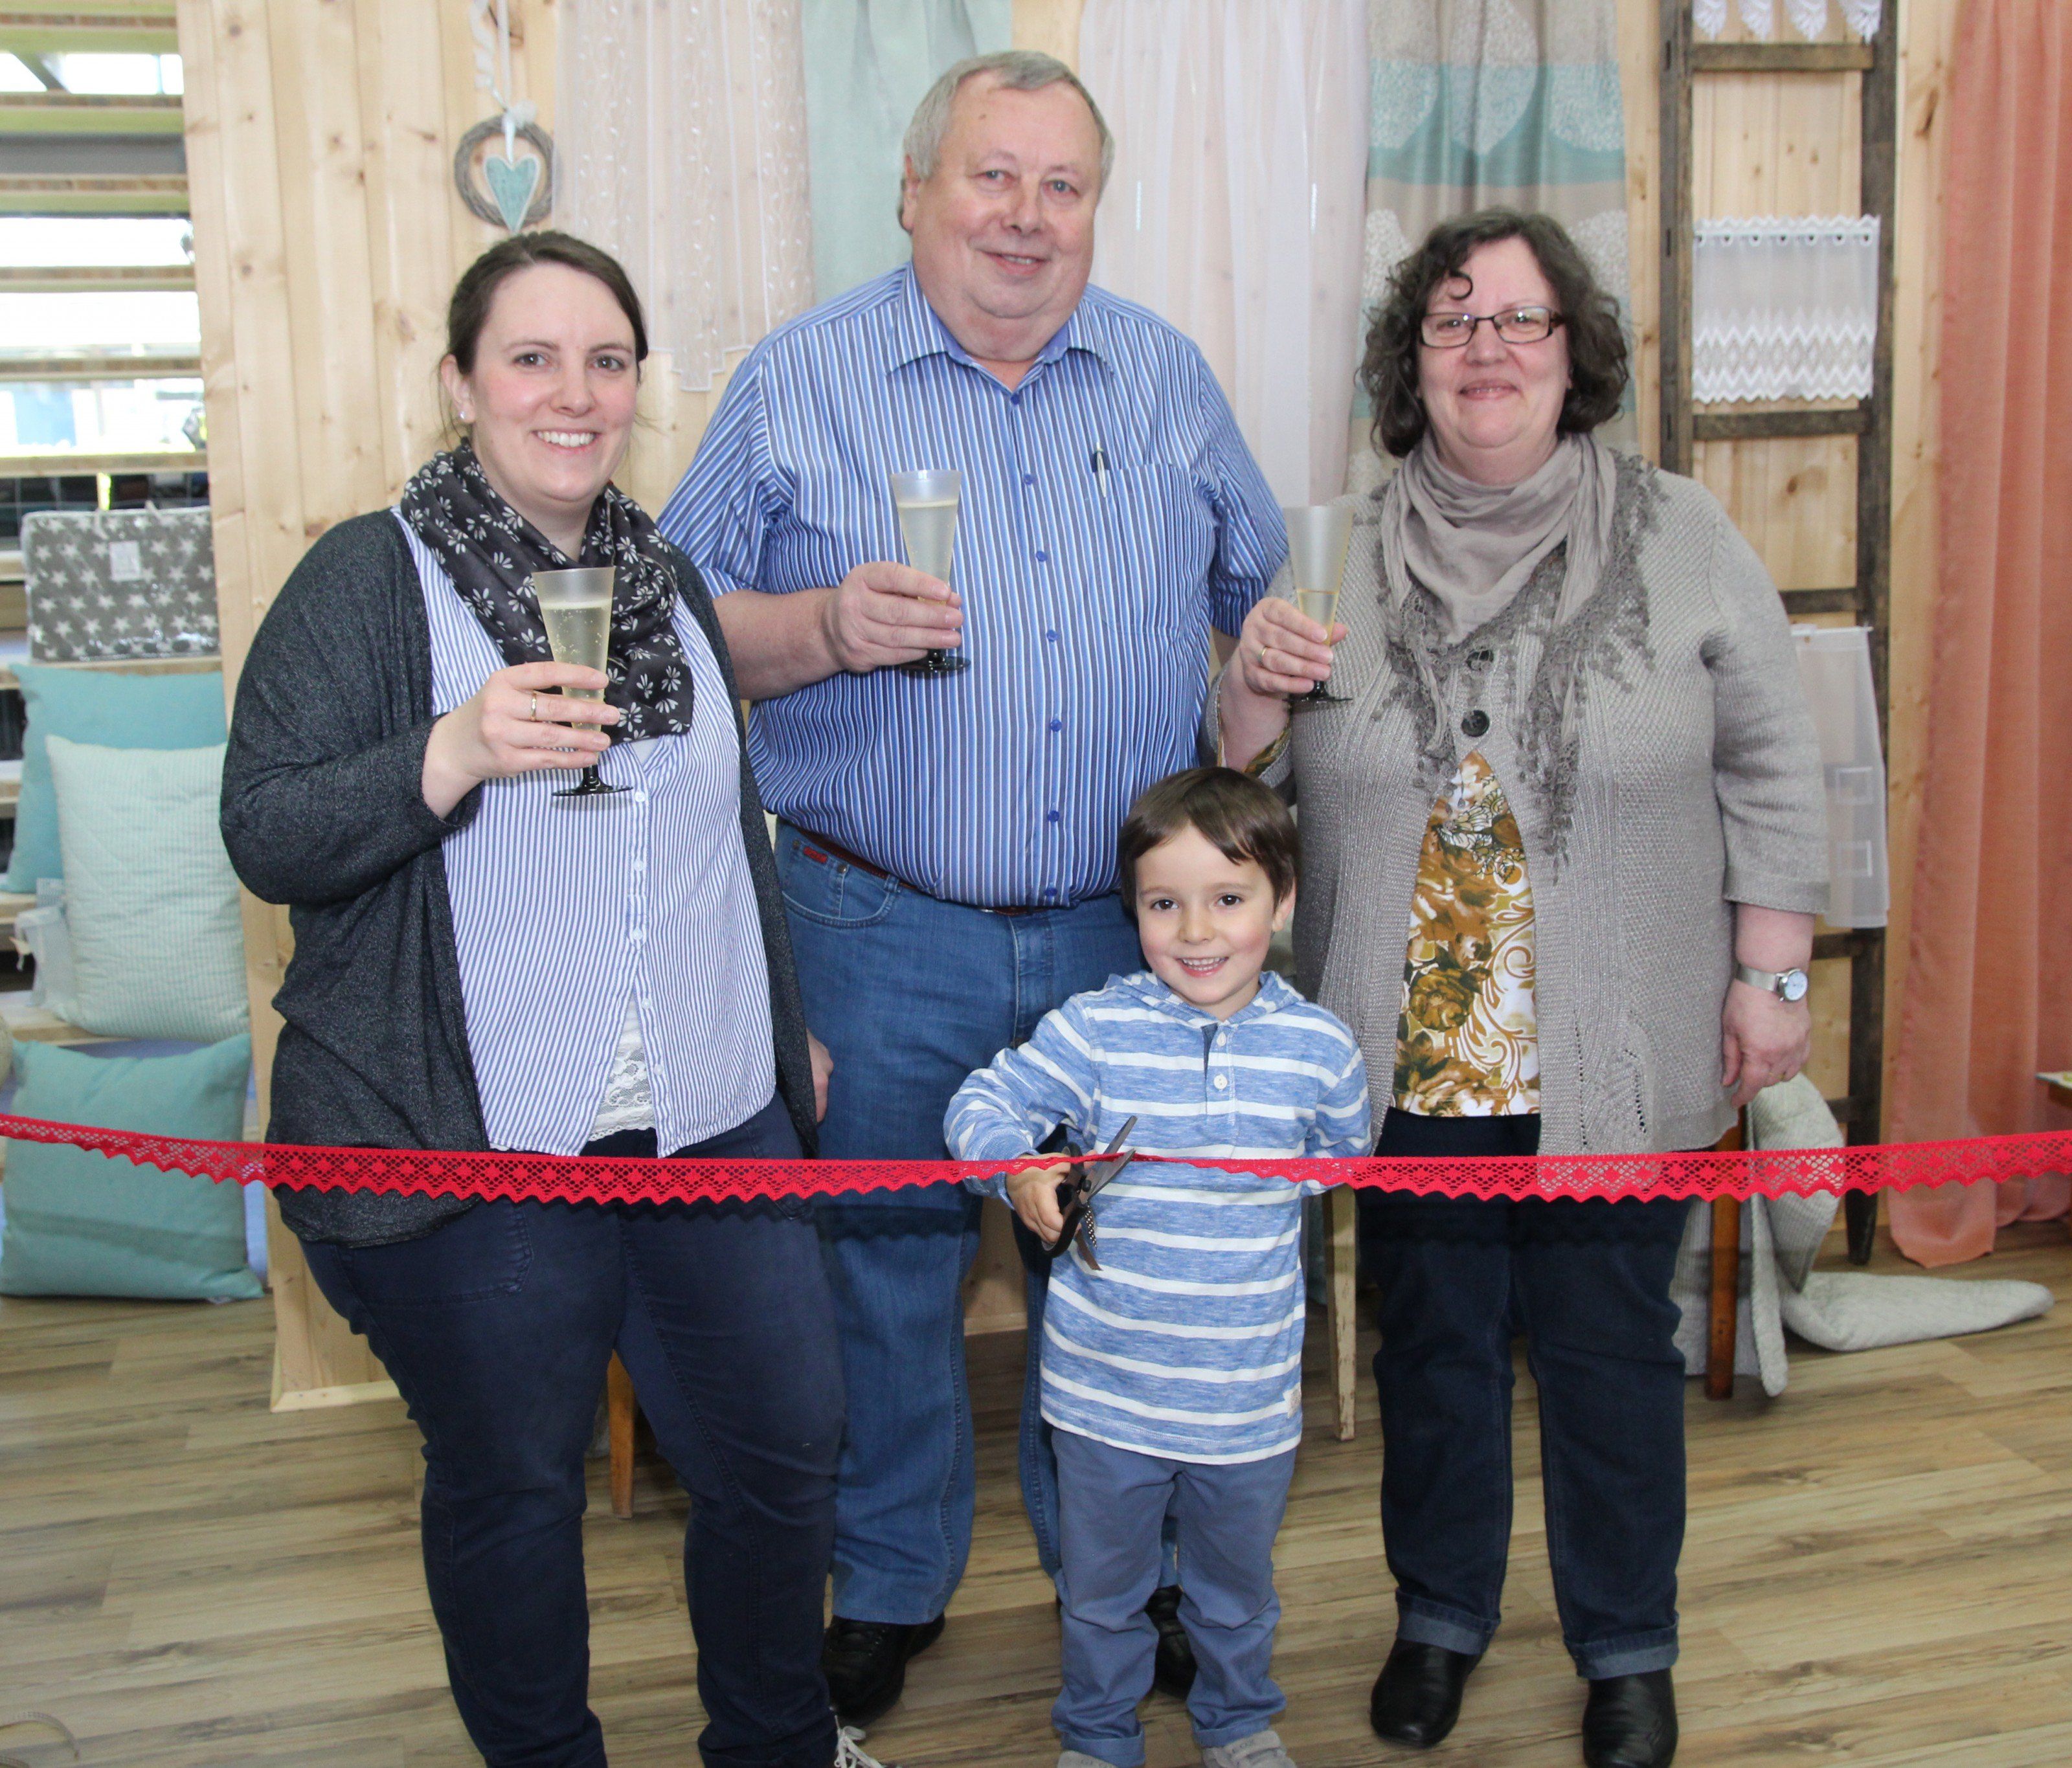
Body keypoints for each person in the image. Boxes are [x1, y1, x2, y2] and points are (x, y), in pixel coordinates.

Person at [659, 50, 1286, 1725]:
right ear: (915, 190)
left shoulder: (1165, 378)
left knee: (1119, 1268)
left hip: (1124, 938)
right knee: (879, 1267)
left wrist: (1271, 670)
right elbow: (673, 631)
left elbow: (1257, 595)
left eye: (1060, 185)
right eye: (991, 176)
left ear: (1095, 208)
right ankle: (886, 1580)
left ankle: (1125, 1581)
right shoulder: (799, 381)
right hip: (875, 922)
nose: (1025, 216)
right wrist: (818, 627)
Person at [221, 232, 879, 1768]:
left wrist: (772, 1020)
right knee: (515, 1486)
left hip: (710, 1116)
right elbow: (267, 829)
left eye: (606, 360)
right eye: (531, 358)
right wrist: (448, 752)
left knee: (784, 1452)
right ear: (461, 382)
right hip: (487, 1140)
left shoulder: (668, 578)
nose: (573, 393)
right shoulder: (367, 578)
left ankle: (778, 1745)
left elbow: (718, 835)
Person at [1214, 210, 1829, 1768]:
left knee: (1610, 1355)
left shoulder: (1682, 532)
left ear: (1573, 352)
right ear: (1409, 361)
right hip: (1408, 1057)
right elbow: (1237, 796)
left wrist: (1771, 974)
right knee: (1430, 1353)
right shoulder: (1331, 548)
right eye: (1452, 321)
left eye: (1520, 320)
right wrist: (1242, 693)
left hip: (1613, 1047)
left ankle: (1626, 1647)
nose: (1485, 348)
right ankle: (1438, 1617)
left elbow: (1775, 763)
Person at [945, 768, 1371, 1768]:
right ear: (1132, 909)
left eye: (1228, 898)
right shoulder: (1095, 1030)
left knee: (1235, 1596)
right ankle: (1097, 1737)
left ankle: (1238, 1723)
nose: (1196, 932)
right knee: (1101, 1599)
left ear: (1283, 901)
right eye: (1163, 904)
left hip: (1246, 1406)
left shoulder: (1322, 1049)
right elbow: (979, 1105)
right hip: (1106, 1401)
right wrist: (1018, 1170)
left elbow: (1343, 1158)